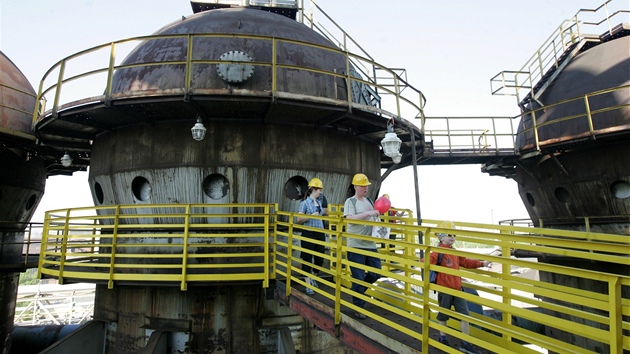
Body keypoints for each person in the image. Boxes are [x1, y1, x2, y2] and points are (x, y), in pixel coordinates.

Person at [430, 224, 490, 354]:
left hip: (457, 288)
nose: (452, 237)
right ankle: (443, 338)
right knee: (443, 315)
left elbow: (466, 262)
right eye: (449, 235)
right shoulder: (437, 252)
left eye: (454, 235)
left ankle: (465, 343)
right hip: (445, 289)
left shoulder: (455, 252)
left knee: (465, 316)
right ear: (441, 237)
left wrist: (482, 263)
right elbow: (426, 261)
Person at [343, 173, 382, 319]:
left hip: (370, 244)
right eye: (363, 186)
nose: (366, 188)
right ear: (355, 187)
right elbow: (350, 220)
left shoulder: (370, 201)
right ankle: (358, 307)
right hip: (356, 246)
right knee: (358, 277)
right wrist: (367, 213)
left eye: (367, 186)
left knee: (376, 272)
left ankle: (357, 292)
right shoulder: (350, 202)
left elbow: (374, 217)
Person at [296, 177, 326, 295]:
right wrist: (311, 216)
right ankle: (308, 285)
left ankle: (313, 277)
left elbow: (324, 213)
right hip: (308, 233)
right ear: (313, 189)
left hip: (320, 233)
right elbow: (299, 219)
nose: (320, 192)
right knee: (307, 258)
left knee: (320, 258)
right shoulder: (304, 203)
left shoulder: (319, 203)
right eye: (319, 190)